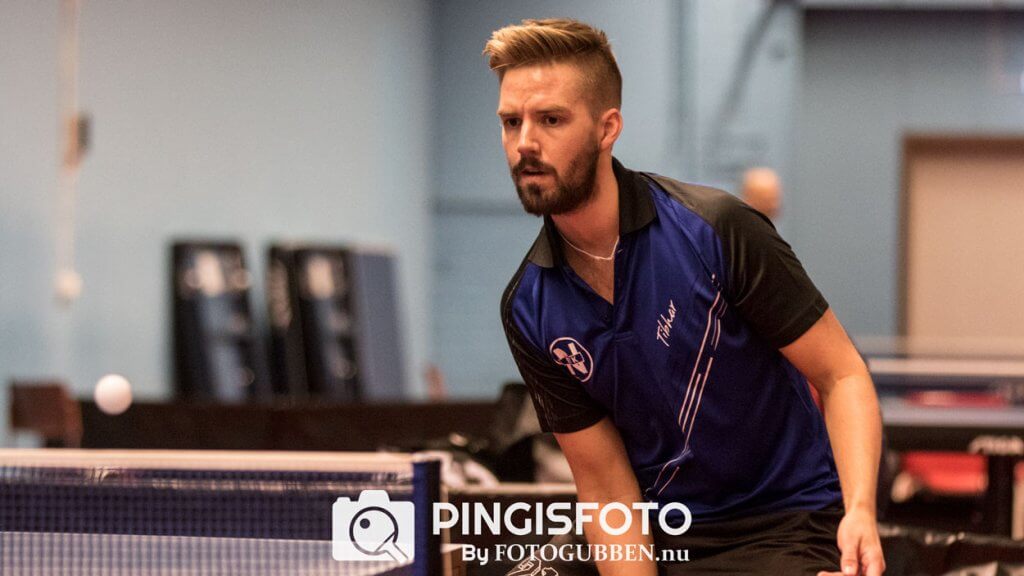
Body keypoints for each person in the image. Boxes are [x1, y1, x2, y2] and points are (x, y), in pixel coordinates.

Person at [489, 18, 885, 576]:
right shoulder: (529, 307)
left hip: (782, 521)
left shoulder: (715, 229)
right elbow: (607, 491)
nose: (525, 142)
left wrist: (860, 511)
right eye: (512, 122)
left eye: (550, 119)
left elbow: (841, 374)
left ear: (607, 128)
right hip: (660, 528)